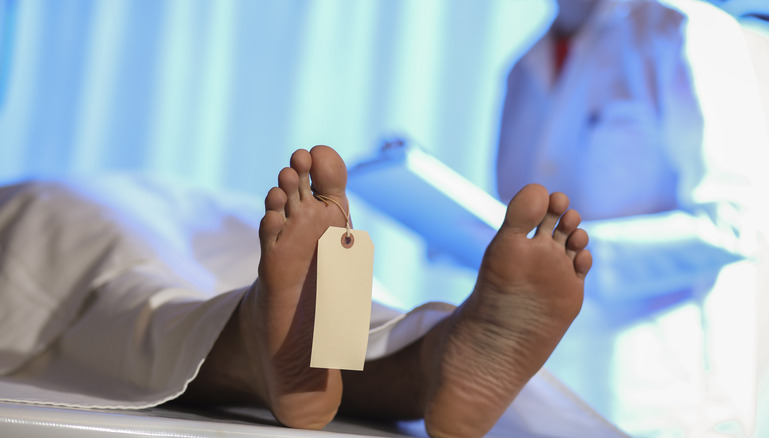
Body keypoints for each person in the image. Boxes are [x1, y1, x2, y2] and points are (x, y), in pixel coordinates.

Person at [0, 146, 597, 437]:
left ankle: (255, 346)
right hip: (206, 217)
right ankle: (429, 358)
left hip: (61, 214)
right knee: (352, 314)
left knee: (130, 300)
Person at [494, 0, 769, 433]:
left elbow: (738, 225)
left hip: (652, 391)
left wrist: (578, 255)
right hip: (531, 379)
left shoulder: (682, 27)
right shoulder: (521, 68)